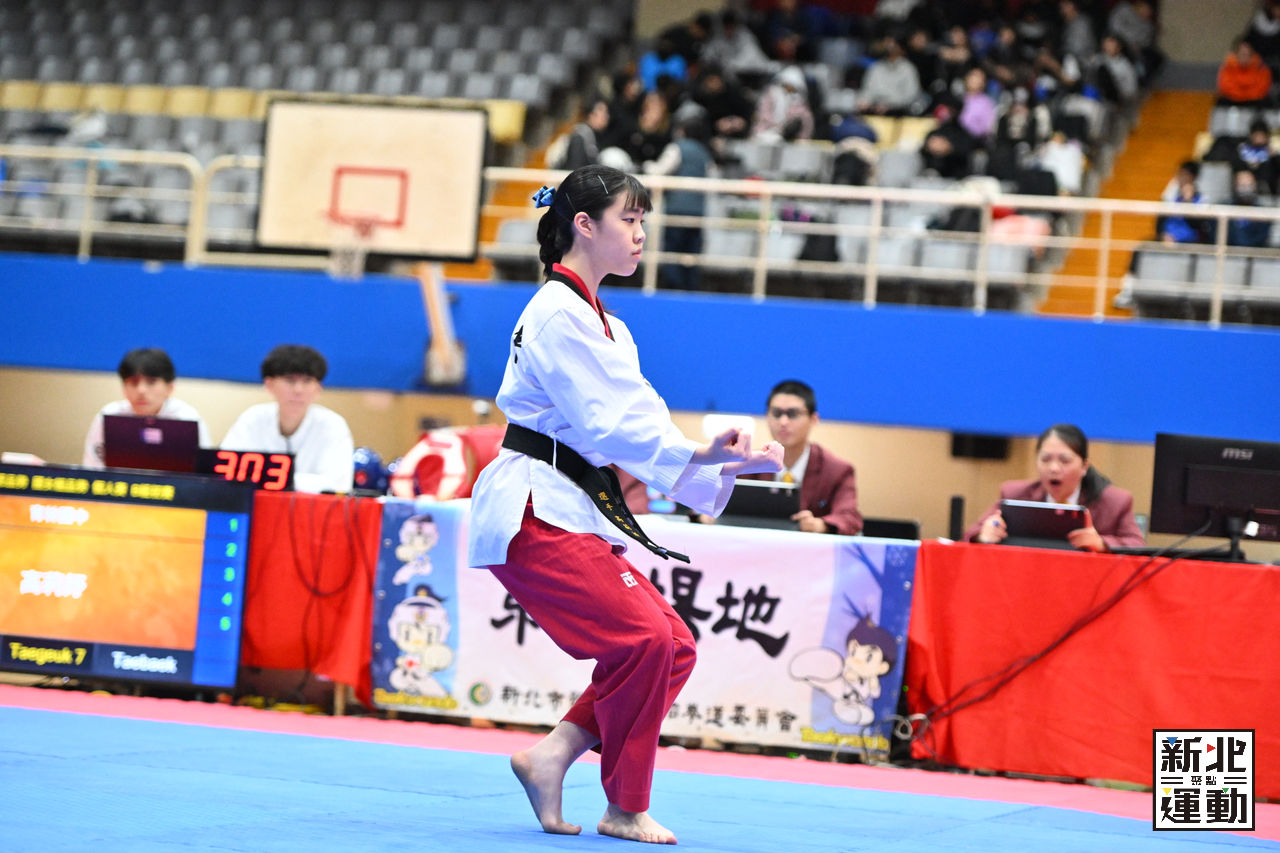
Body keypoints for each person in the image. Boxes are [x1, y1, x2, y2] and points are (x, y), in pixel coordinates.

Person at [466, 164, 783, 845]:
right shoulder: (557, 314)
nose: (641, 234)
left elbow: (637, 421)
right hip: (534, 506)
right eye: (630, 220)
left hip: (566, 503)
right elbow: (614, 426)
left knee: (673, 645)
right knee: (645, 639)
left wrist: (719, 460)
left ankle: (551, 755)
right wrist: (699, 454)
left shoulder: (606, 323)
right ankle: (625, 805)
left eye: (644, 221)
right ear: (584, 225)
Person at [964, 423, 1146, 552]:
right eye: (1045, 459)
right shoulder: (1015, 494)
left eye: (1064, 461)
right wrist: (983, 536)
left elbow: (1138, 546)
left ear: (1084, 466)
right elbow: (968, 536)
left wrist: (1101, 543)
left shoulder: (1115, 501)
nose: (1053, 468)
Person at [221, 344, 354, 494]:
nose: (298, 390)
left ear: (318, 388)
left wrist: (276, 478)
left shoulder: (333, 425)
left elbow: (339, 485)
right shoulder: (252, 418)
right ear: (269, 384)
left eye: (307, 381)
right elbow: (226, 473)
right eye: (290, 380)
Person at [752, 379, 862, 535]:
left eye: (793, 414)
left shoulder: (837, 471)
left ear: (813, 420)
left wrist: (821, 525)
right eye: (776, 413)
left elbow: (850, 519)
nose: (783, 421)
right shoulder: (749, 464)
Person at [82, 347, 210, 468]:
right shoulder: (109, 415)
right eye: (133, 382)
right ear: (124, 388)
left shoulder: (186, 418)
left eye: (151, 382)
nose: (141, 390)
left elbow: (204, 473)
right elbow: (92, 467)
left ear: (170, 387)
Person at [1217, 37, 1273, 106]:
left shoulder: (1261, 68)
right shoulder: (1227, 68)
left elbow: (1262, 88)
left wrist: (1247, 96)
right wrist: (1241, 96)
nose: (1244, 56)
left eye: (1247, 54)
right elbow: (1226, 87)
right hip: (1232, 101)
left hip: (1255, 102)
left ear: (1252, 54)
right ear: (1236, 54)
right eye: (1242, 54)